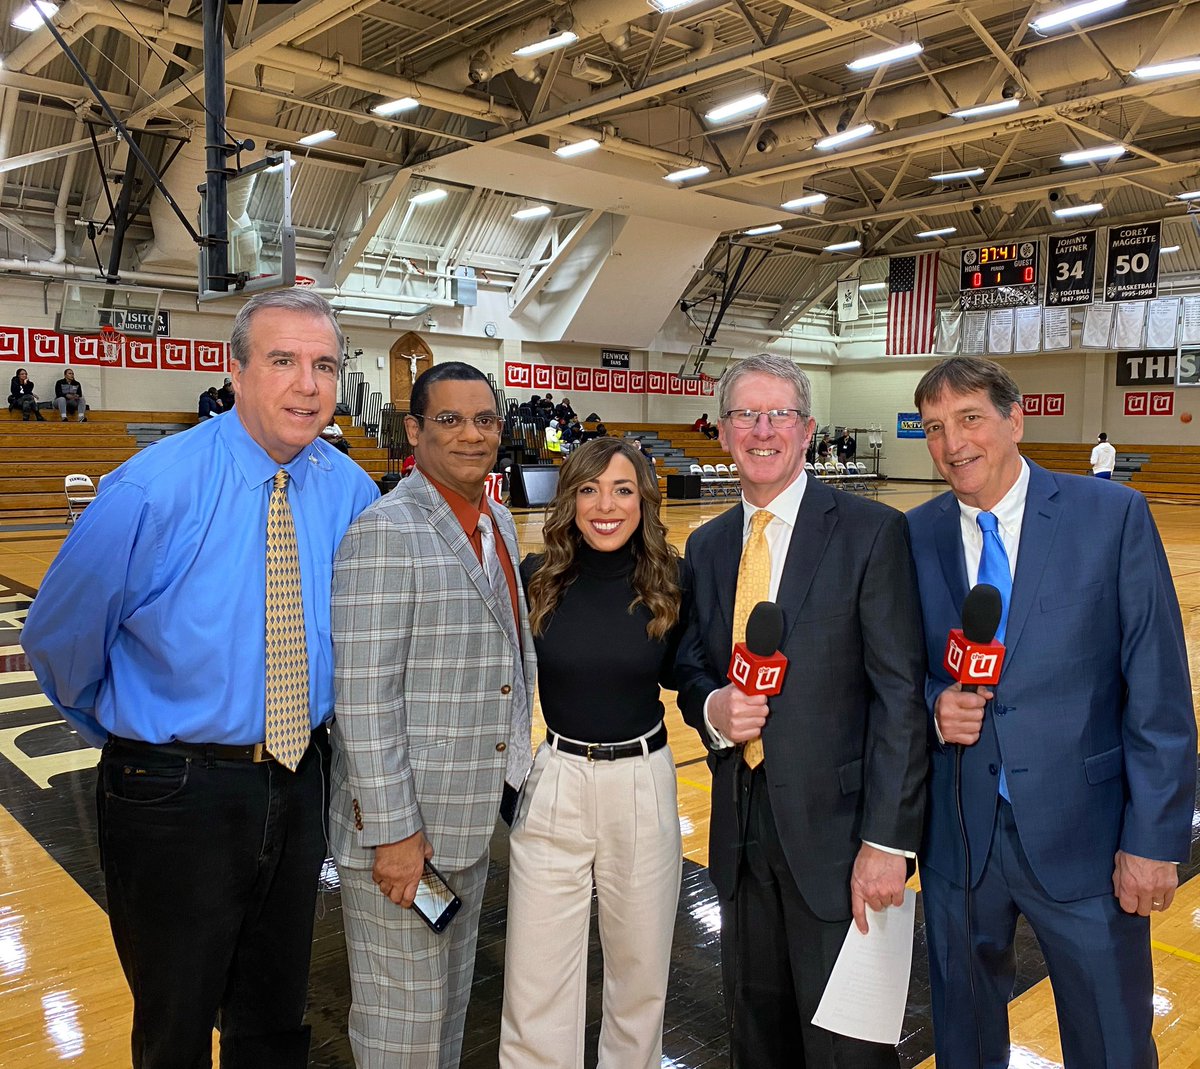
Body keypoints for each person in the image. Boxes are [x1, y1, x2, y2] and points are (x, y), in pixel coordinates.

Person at [20, 287, 379, 1069]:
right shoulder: (151, 489)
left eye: (324, 365)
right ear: (236, 371)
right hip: (173, 790)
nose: (308, 385)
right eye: (283, 361)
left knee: (274, 1018)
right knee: (175, 1026)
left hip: (298, 773)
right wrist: (140, 741)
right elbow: (58, 639)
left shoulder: (351, 492)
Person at [906, 356, 1195, 1069]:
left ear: (1015, 419)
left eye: (970, 418)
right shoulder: (914, 534)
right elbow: (896, 669)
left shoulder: (1110, 515)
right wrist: (933, 699)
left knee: (1111, 1042)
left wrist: (1155, 839)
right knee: (965, 1038)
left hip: (1087, 837)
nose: (953, 444)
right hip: (960, 835)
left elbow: (1157, 686)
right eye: (936, 428)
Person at [674, 352, 927, 1069]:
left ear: (807, 429)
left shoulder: (871, 531)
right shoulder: (709, 543)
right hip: (741, 836)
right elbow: (693, 664)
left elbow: (900, 695)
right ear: (722, 433)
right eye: (744, 415)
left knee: (849, 1048)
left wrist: (888, 838)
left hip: (842, 841)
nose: (762, 430)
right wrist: (713, 707)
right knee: (758, 1037)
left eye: (778, 414)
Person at [330, 361, 535, 1069]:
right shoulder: (386, 531)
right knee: (402, 1037)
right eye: (449, 419)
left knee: (443, 1022)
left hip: (468, 822)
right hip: (405, 837)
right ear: (413, 430)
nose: (471, 435)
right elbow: (363, 697)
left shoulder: (499, 521)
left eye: (484, 419)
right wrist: (393, 834)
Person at [499, 437, 684, 1069]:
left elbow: (697, 676)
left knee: (639, 977)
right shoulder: (535, 578)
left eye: (623, 490)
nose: (606, 505)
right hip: (556, 778)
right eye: (589, 489)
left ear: (644, 500)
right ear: (569, 499)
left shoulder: (671, 581)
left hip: (643, 779)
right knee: (536, 977)